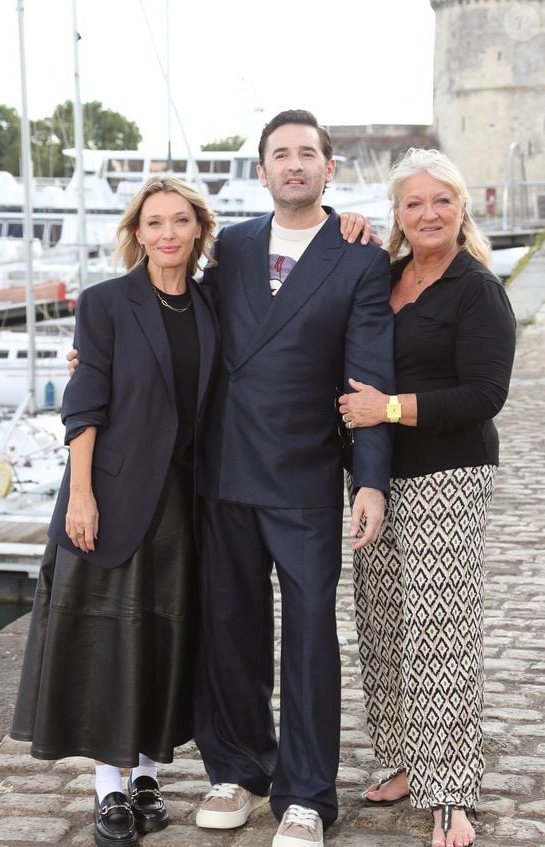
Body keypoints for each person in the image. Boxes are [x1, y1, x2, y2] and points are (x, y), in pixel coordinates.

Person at [191, 110, 395, 847]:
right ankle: (237, 768)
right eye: (281, 154)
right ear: (263, 171)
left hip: (307, 473)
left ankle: (306, 792)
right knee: (230, 628)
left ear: (329, 168)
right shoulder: (234, 246)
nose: (294, 163)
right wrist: (102, 354)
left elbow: (368, 370)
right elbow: (182, 322)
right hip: (225, 470)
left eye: (308, 152)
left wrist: (368, 481)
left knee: (310, 636)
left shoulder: (359, 255)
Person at [10, 176, 219, 847]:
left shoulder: (213, 304)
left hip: (189, 501)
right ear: (136, 232)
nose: (167, 234)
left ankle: (152, 772)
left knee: (172, 634)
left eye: (179, 221)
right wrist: (80, 493)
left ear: (197, 230)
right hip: (112, 497)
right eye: (154, 222)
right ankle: (109, 787)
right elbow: (85, 402)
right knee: (109, 640)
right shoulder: (104, 304)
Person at [338, 148, 516, 847]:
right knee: (382, 622)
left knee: (441, 632)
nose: (429, 213)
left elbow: (484, 395)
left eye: (441, 199)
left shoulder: (476, 289)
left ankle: (452, 792)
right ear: (398, 214)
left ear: (462, 207)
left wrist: (387, 409)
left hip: (448, 473)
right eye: (414, 202)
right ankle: (410, 760)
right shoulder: (383, 275)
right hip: (376, 476)